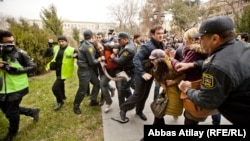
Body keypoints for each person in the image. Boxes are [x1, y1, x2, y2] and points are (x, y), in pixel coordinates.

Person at [177, 16, 250, 124]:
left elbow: (206, 101)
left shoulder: (214, 66)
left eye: (202, 38)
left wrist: (187, 89)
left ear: (215, 39)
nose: (199, 41)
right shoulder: (245, 47)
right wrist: (192, 64)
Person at [119, 25, 165, 122]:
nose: (161, 35)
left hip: (150, 74)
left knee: (144, 95)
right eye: (158, 33)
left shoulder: (161, 44)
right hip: (141, 74)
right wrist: (142, 72)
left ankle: (139, 111)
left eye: (162, 33)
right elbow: (136, 59)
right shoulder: (147, 46)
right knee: (138, 94)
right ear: (153, 34)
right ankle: (123, 108)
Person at [0, 30, 40, 141]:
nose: (12, 45)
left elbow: (32, 67)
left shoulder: (20, 53)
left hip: (17, 87)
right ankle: (32, 112)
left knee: (12, 112)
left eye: (13, 41)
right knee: (6, 110)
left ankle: (12, 132)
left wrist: (15, 70)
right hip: (2, 88)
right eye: (8, 43)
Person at [171, 27, 208, 125]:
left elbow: (179, 69)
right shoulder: (204, 50)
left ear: (190, 39)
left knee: (190, 117)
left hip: (193, 85)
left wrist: (172, 59)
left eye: (185, 38)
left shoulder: (193, 51)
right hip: (201, 84)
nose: (184, 40)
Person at [150, 49, 185, 125]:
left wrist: (174, 81)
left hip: (174, 93)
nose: (151, 62)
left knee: (159, 113)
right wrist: (160, 83)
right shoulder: (158, 66)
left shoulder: (172, 65)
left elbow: (184, 75)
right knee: (158, 113)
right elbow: (157, 79)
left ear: (159, 59)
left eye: (153, 60)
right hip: (166, 93)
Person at [73, 29, 105, 115]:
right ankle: (76, 106)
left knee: (97, 84)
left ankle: (93, 100)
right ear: (92, 36)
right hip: (84, 71)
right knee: (82, 90)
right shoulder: (89, 47)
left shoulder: (84, 43)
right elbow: (92, 62)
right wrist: (100, 59)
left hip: (88, 70)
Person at [44, 36, 78, 111]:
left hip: (65, 71)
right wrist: (49, 45)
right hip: (58, 70)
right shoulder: (56, 48)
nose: (61, 43)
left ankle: (60, 101)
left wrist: (76, 55)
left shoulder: (71, 49)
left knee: (55, 88)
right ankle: (63, 96)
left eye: (63, 41)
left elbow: (78, 54)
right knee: (61, 84)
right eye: (59, 41)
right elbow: (47, 54)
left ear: (66, 42)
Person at [110, 32, 136, 107]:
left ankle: (132, 103)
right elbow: (119, 45)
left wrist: (113, 57)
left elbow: (121, 61)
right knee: (131, 85)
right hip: (128, 70)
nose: (118, 42)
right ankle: (136, 97)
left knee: (124, 88)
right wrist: (113, 45)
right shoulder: (127, 42)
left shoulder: (128, 49)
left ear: (125, 39)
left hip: (129, 71)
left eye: (119, 40)